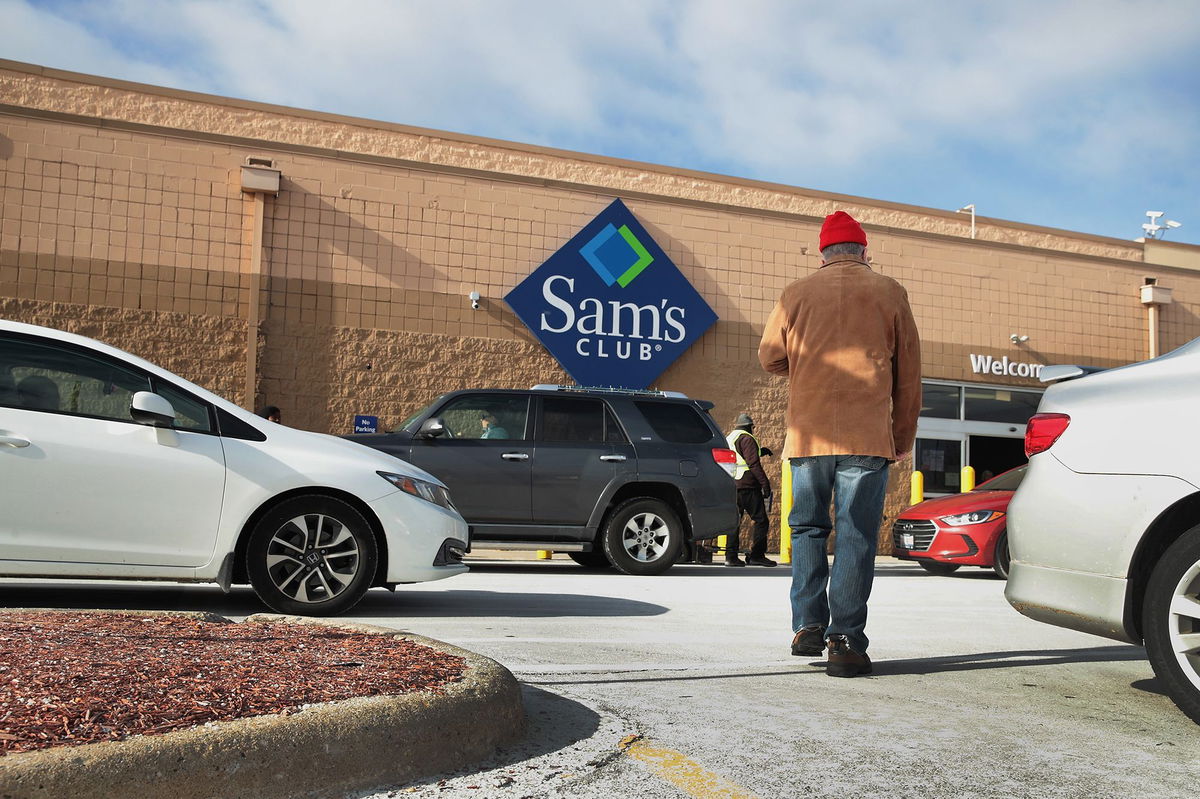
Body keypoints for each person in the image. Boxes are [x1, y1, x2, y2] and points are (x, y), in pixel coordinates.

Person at [758, 210, 921, 678]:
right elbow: (908, 374)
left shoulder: (795, 294)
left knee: (807, 528)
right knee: (855, 534)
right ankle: (845, 640)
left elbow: (770, 357)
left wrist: (806, 365)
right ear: (864, 251)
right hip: (868, 436)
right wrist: (902, 436)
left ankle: (808, 625)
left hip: (808, 437)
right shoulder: (890, 292)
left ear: (823, 252)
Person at [725, 413, 776, 568]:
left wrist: (761, 451)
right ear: (748, 427)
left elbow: (740, 454)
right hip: (748, 486)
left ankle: (731, 557)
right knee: (761, 521)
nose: (753, 430)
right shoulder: (747, 437)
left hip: (733, 485)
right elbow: (753, 463)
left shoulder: (730, 437)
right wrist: (765, 484)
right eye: (752, 427)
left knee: (734, 522)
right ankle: (757, 555)